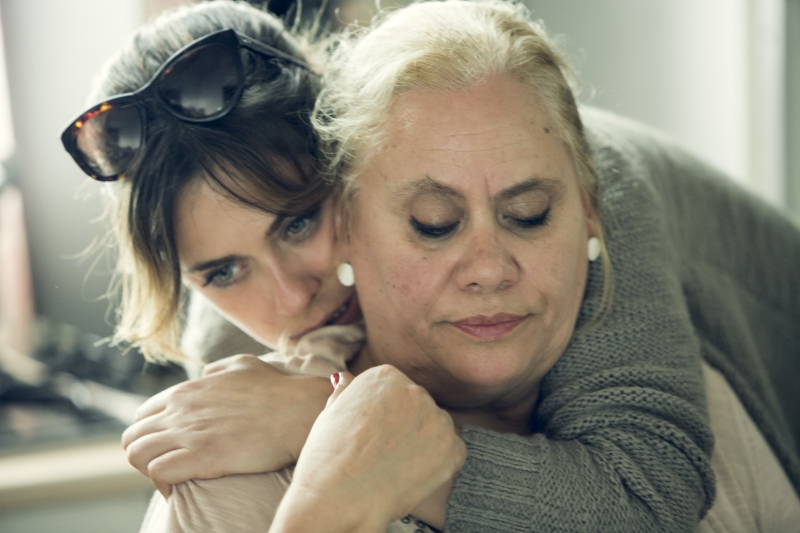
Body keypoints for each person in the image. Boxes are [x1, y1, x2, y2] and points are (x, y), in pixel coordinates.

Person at [62, 1, 800, 532]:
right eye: (222, 274)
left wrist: (323, 416)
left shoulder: (569, 177)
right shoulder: (230, 341)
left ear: (349, 173)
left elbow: (647, 489)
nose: (290, 298)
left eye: (299, 221)